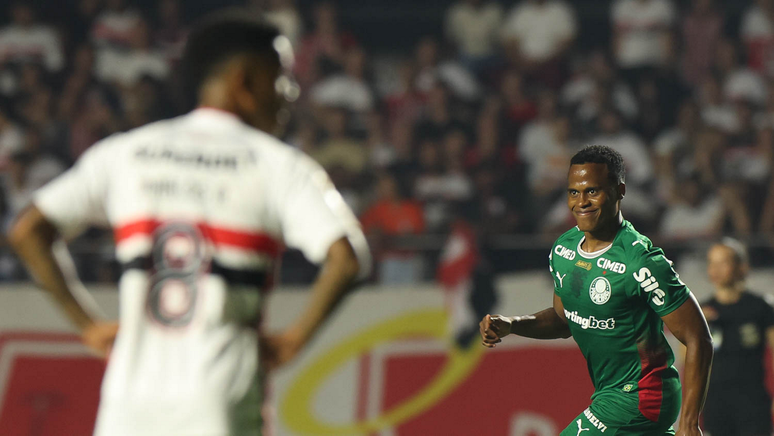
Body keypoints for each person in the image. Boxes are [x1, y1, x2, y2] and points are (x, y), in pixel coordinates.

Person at [8, 11, 371, 436]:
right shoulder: (280, 166)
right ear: (244, 82)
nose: (290, 93)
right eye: (282, 79)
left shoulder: (126, 153)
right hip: (220, 402)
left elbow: (28, 231)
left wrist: (87, 325)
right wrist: (294, 340)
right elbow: (347, 258)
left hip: (128, 406)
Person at [480, 145, 713, 435]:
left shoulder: (639, 261)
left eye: (592, 191)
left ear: (619, 191)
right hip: (609, 392)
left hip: (640, 396)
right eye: (573, 192)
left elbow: (698, 337)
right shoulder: (563, 249)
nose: (582, 202)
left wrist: (689, 423)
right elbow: (563, 320)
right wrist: (513, 324)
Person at [701, 239, 774, 436]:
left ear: (742, 267)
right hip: (715, 404)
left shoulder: (761, 307)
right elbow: (688, 361)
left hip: (753, 401)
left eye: (723, 262)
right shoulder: (700, 312)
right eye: (711, 262)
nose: (715, 269)